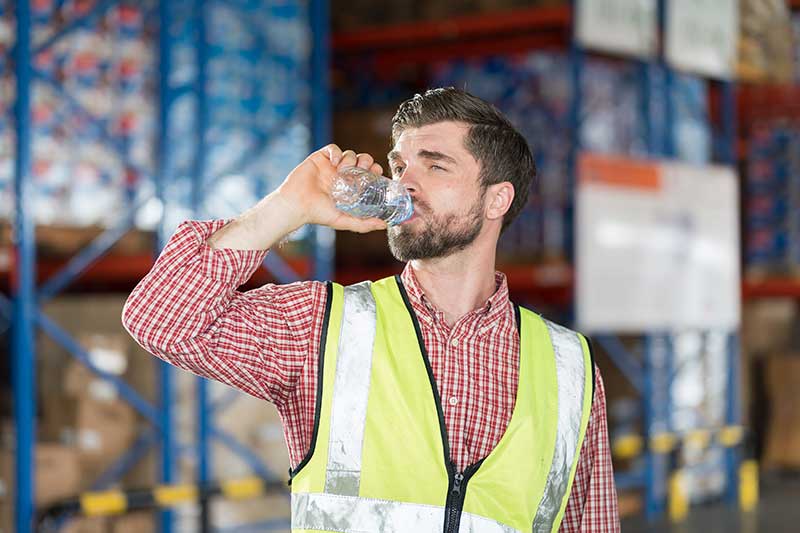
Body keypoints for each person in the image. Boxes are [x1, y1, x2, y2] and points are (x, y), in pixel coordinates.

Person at [123, 88, 620, 532]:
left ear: (497, 200)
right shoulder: (323, 324)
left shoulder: (569, 366)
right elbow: (160, 318)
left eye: (436, 165)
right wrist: (285, 208)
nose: (405, 184)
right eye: (401, 166)